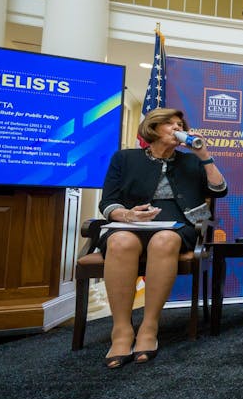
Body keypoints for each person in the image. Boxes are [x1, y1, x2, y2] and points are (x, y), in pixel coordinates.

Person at [97, 108, 227, 368]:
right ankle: (121, 330)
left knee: (164, 239)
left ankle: (148, 326)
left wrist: (204, 156)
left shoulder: (190, 162)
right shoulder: (124, 158)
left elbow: (219, 190)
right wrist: (126, 215)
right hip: (132, 224)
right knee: (121, 241)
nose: (177, 128)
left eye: (180, 124)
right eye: (170, 124)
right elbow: (108, 202)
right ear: (153, 129)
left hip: (180, 226)